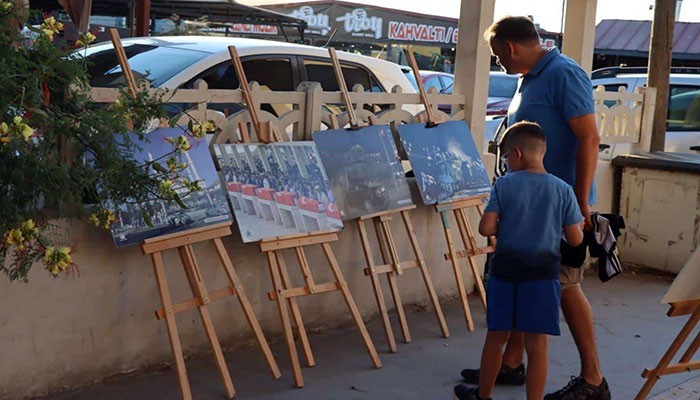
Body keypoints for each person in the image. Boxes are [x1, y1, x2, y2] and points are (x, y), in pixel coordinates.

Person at [458, 16, 610, 400]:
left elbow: (589, 138)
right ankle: (510, 362)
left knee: (565, 286)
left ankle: (593, 379)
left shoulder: (563, 73)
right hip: (530, 205)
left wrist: (579, 201)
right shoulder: (530, 78)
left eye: (497, 55)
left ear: (510, 47)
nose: (498, 63)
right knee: (531, 282)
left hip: (559, 206)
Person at [454, 121, 584, 400]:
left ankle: (483, 395)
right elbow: (575, 239)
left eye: (506, 158)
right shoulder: (562, 189)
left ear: (517, 153)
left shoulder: (504, 184)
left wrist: (507, 225)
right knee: (538, 347)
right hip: (543, 275)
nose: (506, 164)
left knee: (496, 337)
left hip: (505, 273)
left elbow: (485, 228)